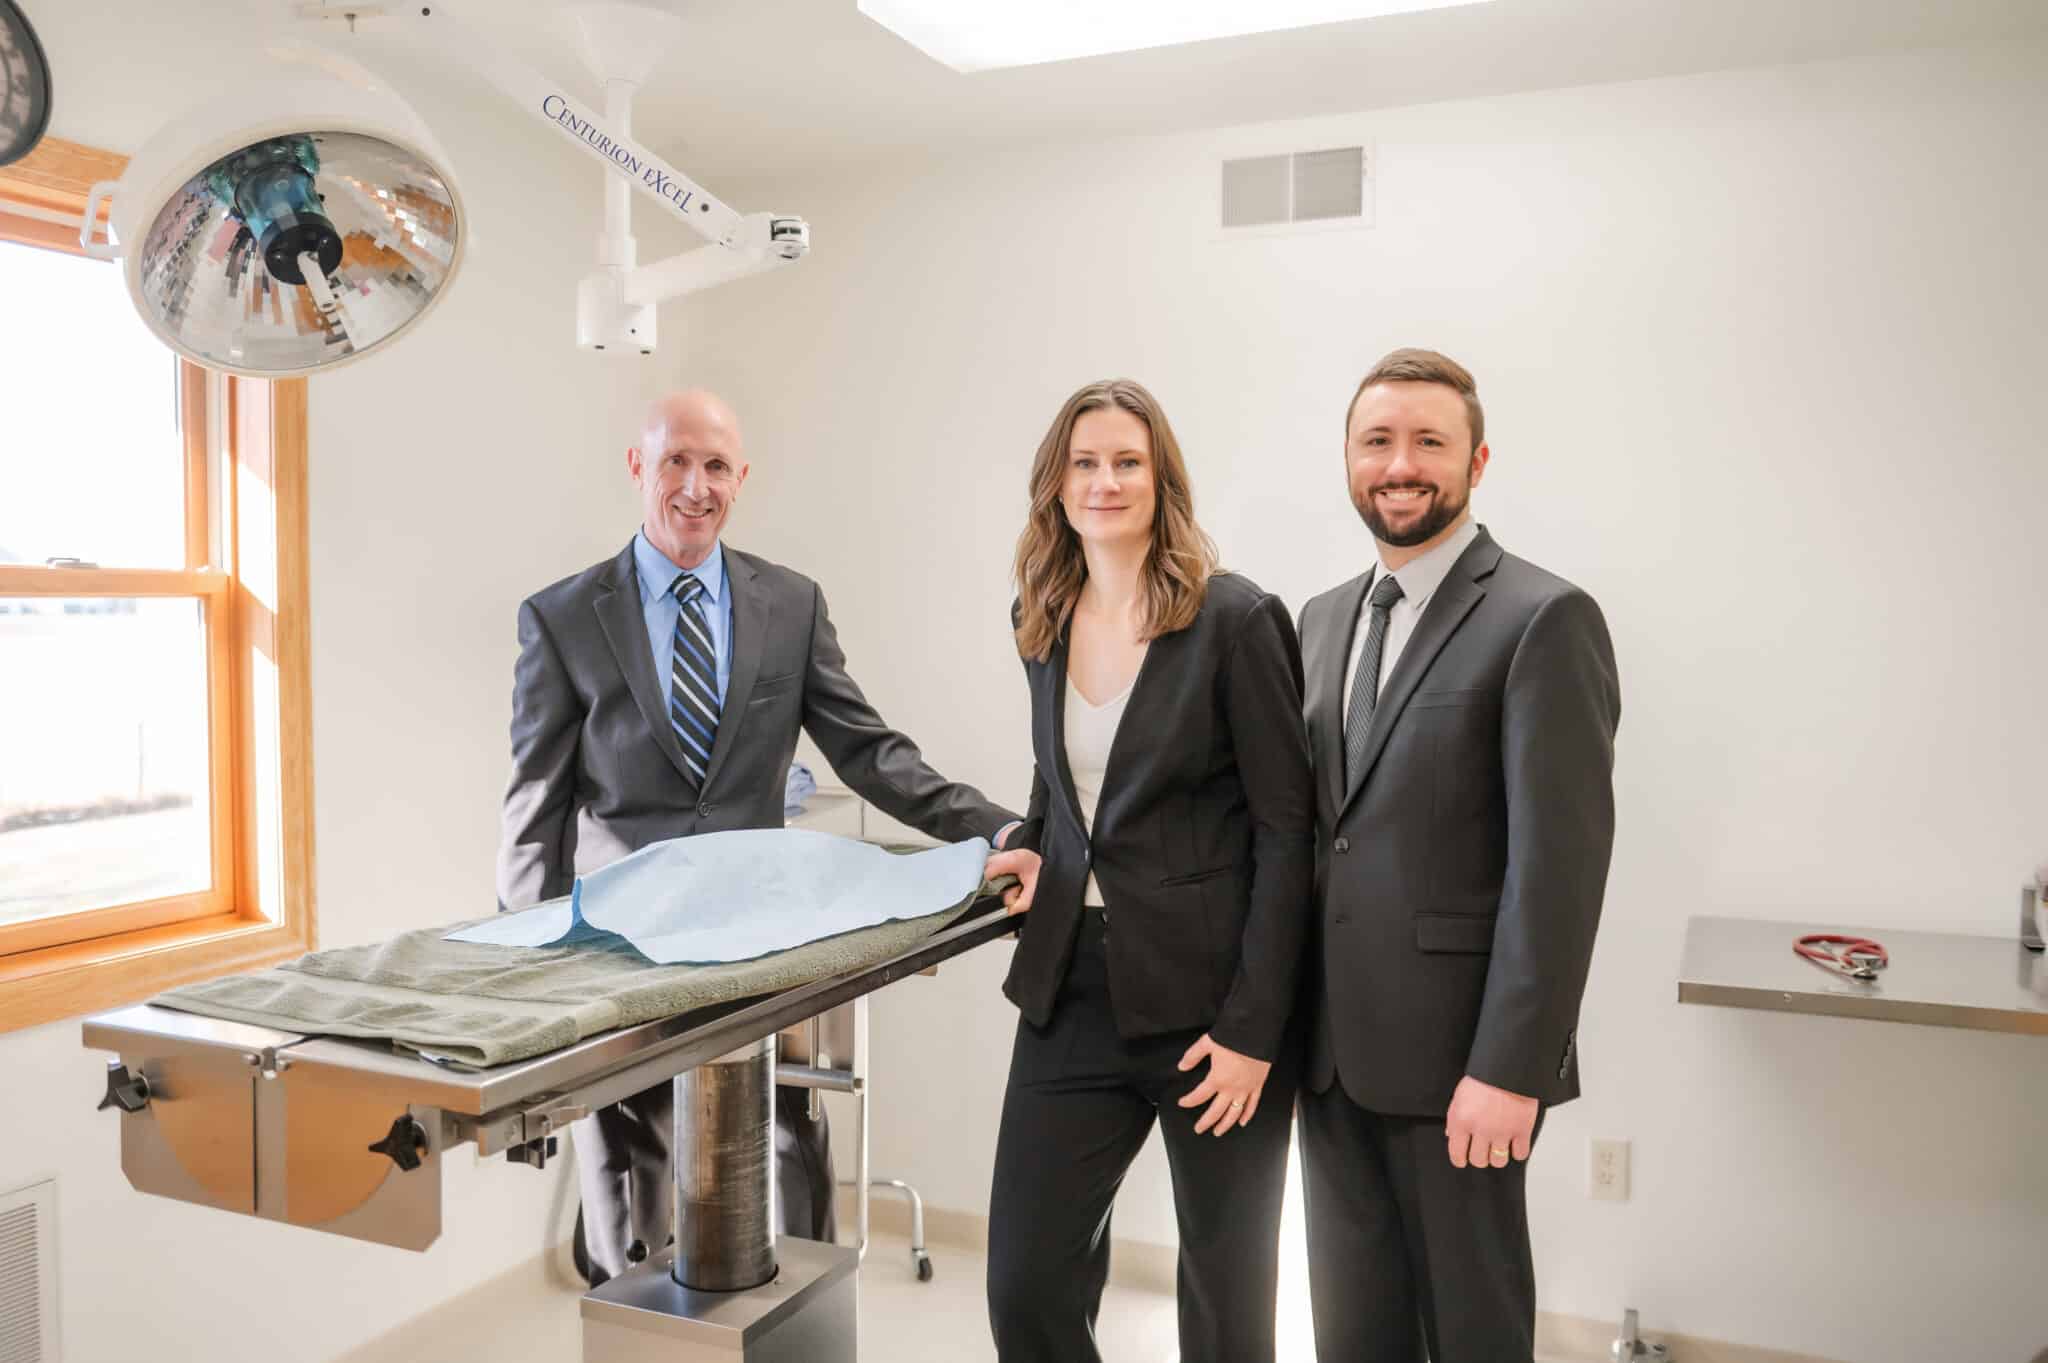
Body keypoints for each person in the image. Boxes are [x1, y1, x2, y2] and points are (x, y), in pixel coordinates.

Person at [495, 389, 1026, 1286]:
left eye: (715, 466)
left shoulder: (789, 603)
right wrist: (522, 979)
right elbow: (534, 812)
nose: (695, 487)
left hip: (755, 955)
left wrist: (1001, 826)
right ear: (638, 467)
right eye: (675, 462)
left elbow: (871, 752)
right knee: (630, 1233)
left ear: (742, 477)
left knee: (780, 1186)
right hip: (622, 959)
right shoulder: (562, 617)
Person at [1296, 348, 1621, 1361]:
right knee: (1354, 1332)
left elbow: (1557, 871)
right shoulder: (1317, 620)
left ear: (1475, 461)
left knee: (1471, 1330)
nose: (1400, 464)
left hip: (1460, 1070)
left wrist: (1510, 1066)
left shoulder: (1541, 617)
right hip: (1328, 1059)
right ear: (1348, 460)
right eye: (1376, 441)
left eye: (1427, 442)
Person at [983, 378, 1314, 1363]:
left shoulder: (1235, 620)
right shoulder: (1038, 610)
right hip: (1069, 989)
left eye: (1127, 460)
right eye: (1084, 461)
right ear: (1055, 483)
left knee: (1222, 1301)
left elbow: (1282, 831)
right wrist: (1026, 843)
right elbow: (1064, 782)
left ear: (1160, 477)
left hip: (1212, 1007)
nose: (1104, 480)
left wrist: (1254, 1028)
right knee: (1024, 1284)